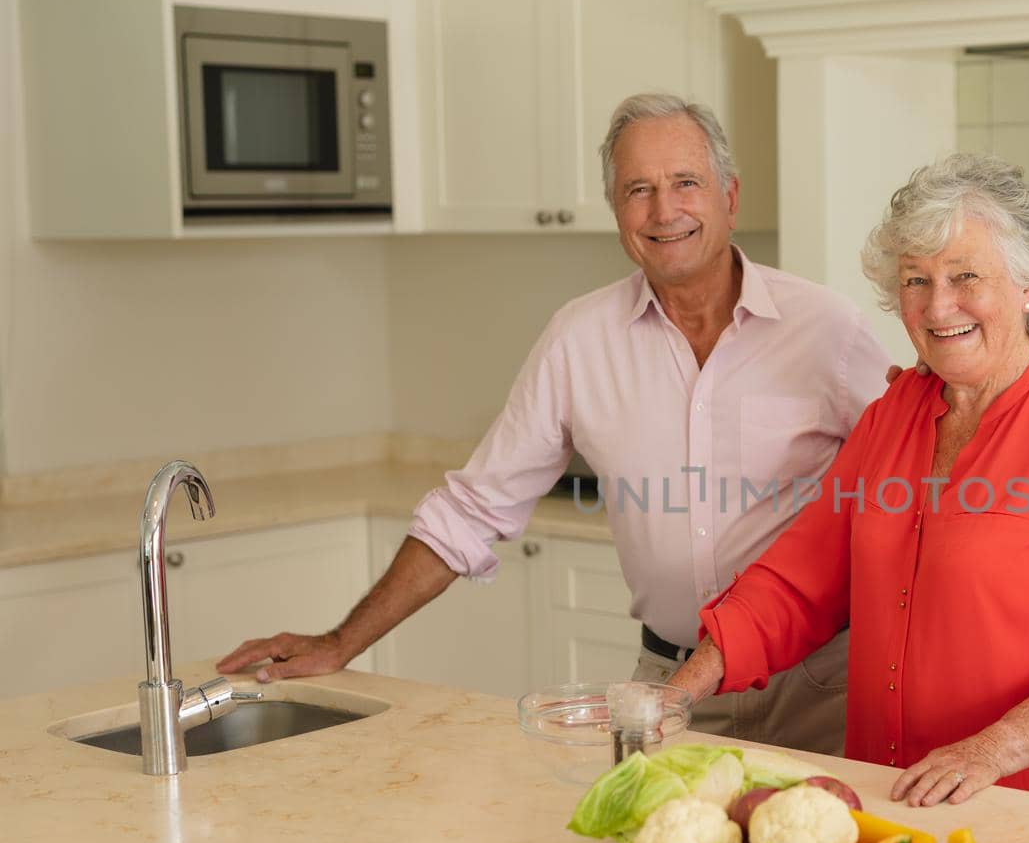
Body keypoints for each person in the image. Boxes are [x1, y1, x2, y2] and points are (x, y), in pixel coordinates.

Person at [217, 93, 891, 756]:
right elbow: (472, 509)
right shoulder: (579, 339)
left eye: (686, 182)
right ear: (617, 212)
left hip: (816, 691)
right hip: (665, 690)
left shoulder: (826, 331)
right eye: (638, 190)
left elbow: (913, 485)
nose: (664, 210)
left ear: (729, 197)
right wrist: (340, 642)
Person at [666, 153, 1029, 807]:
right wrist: (671, 696)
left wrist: (991, 749)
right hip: (895, 800)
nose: (938, 305)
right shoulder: (889, 418)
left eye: (965, 276)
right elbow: (798, 583)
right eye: (915, 280)